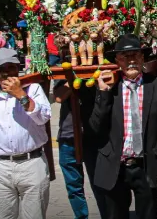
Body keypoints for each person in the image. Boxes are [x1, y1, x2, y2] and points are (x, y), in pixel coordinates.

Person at [88, 34, 157, 219]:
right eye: (125, 56)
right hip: (115, 166)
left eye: (135, 55)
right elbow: (95, 127)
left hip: (146, 165)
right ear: (117, 61)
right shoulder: (109, 87)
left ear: (142, 58)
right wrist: (103, 93)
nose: (131, 61)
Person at [0, 48, 53, 219]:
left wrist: (21, 95)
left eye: (11, 67)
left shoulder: (33, 90)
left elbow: (43, 118)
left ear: (18, 68)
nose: (7, 73)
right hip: (0, 167)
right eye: (1, 69)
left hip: (32, 163)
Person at [52, 60, 106, 219]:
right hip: (69, 135)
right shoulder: (66, 67)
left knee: (101, 184)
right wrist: (73, 78)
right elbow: (59, 97)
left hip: (93, 135)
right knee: (74, 186)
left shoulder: (99, 65)